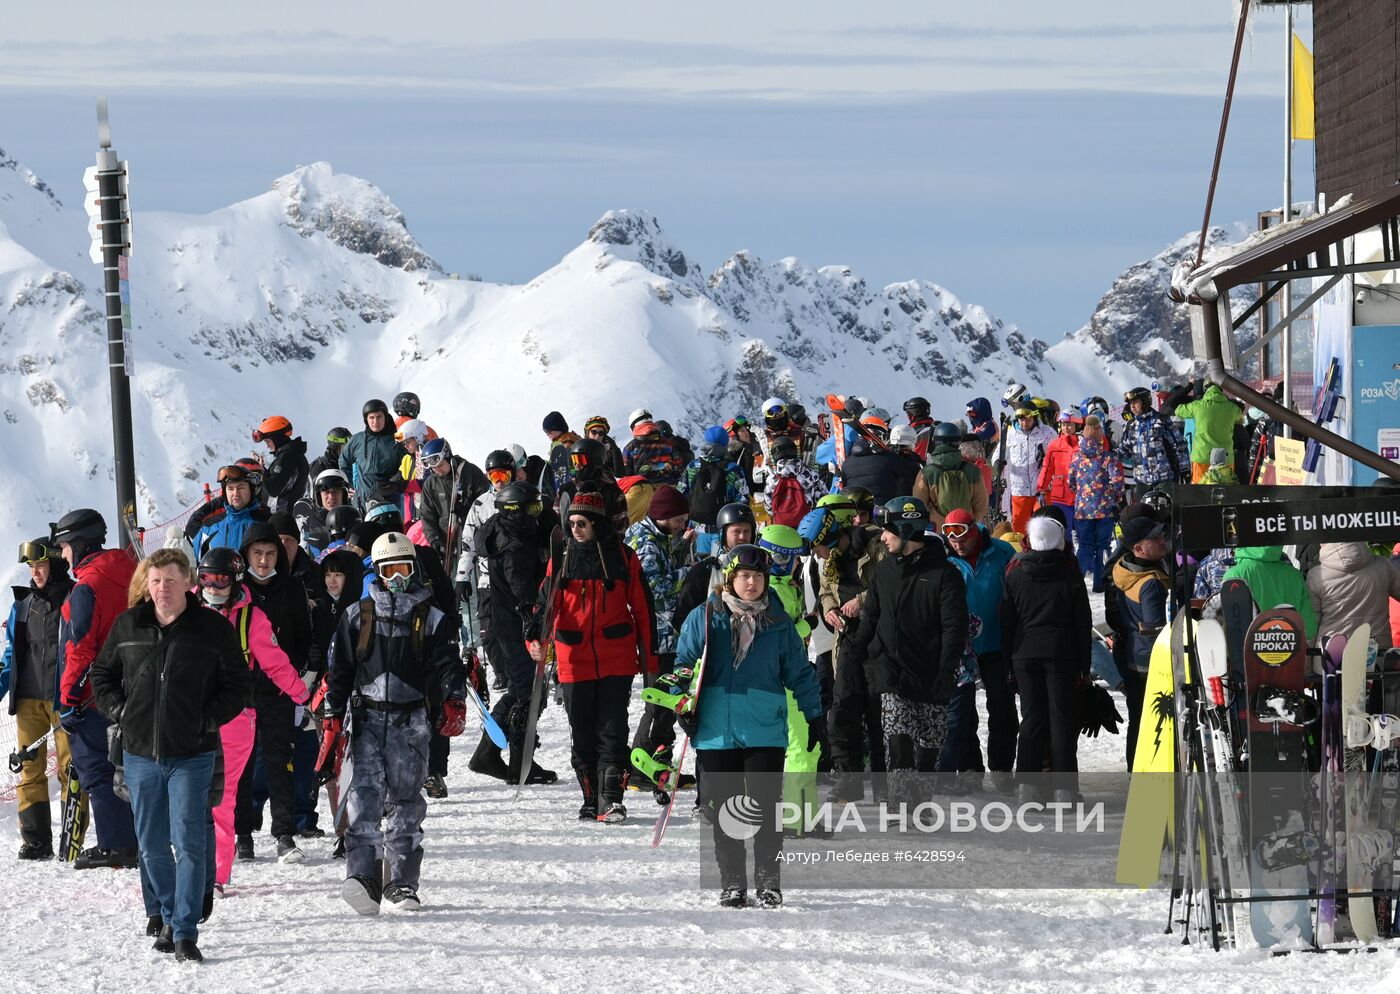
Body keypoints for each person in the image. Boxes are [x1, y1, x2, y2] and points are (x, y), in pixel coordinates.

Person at [89, 548, 252, 963]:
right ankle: (162, 913)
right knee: (151, 844)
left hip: (192, 753)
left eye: (171, 580)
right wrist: (121, 711)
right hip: (141, 752)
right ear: (148, 583)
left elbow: (237, 684)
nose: (163, 588)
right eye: (156, 580)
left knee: (189, 840)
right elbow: (101, 675)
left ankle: (184, 930)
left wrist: (207, 718)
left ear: (187, 583)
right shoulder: (129, 625)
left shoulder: (211, 629)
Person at [323, 532, 468, 915]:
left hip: (410, 721)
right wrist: (332, 713)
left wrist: (454, 697)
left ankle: (402, 883)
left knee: (406, 802)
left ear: (414, 570)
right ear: (378, 574)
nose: (397, 579)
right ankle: (363, 879)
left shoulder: (431, 618)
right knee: (363, 800)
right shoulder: (358, 614)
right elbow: (339, 671)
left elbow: (449, 665)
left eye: (404, 569)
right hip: (367, 719)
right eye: (389, 571)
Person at [675, 544, 825, 908]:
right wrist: (681, 702)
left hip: (764, 730)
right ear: (730, 578)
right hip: (716, 730)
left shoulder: (778, 622)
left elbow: (800, 673)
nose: (752, 583)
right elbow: (682, 665)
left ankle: (768, 881)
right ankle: (732, 883)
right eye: (744, 576)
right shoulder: (705, 617)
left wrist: (815, 716)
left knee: (765, 809)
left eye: (758, 577)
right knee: (725, 810)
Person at [532, 492, 655, 823]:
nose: (576, 529)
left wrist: (650, 660)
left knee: (613, 730)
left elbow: (644, 610)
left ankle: (611, 799)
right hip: (574, 660)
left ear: (597, 524)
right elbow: (544, 605)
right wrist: (535, 639)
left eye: (582, 523)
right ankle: (591, 798)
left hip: (617, 657)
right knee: (582, 731)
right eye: (571, 523)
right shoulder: (561, 559)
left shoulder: (623, 557)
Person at [841, 497, 967, 807]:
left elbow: (954, 628)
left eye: (888, 531)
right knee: (898, 739)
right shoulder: (885, 570)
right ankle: (899, 804)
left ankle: (919, 804)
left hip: (931, 671)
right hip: (891, 669)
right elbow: (871, 615)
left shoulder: (944, 575)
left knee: (928, 745)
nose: (883, 538)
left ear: (906, 529)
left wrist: (946, 670)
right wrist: (856, 651)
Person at [51, 508, 139, 869]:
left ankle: (116, 845)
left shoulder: (87, 587)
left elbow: (80, 646)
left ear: (78, 543)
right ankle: (136, 837)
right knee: (129, 766)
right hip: (133, 687)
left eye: (65, 547)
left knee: (97, 769)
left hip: (93, 696)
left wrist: (69, 697)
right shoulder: (132, 572)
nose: (64, 556)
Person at [233, 524, 316, 864]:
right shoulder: (237, 589)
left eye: (269, 554)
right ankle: (242, 834)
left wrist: (297, 678)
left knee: (279, 761)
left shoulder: (292, 587)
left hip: (278, 689)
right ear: (246, 556)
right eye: (257, 554)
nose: (264, 561)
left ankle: (283, 833)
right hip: (240, 692)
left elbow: (303, 636)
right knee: (241, 766)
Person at [1000, 516, 1091, 803]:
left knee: (1032, 717)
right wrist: (1084, 665)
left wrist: (1008, 663)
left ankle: (1028, 787)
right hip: (1062, 653)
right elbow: (1082, 623)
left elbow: (1006, 621)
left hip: (1024, 653)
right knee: (1061, 718)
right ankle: (1065, 789)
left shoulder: (1015, 575)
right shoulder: (1070, 575)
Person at [2, 538, 80, 859]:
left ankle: (70, 834)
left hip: (64, 698)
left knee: (69, 768)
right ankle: (36, 839)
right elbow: (11, 655)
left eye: (41, 566)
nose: (35, 573)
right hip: (29, 700)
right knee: (29, 767)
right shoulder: (22, 605)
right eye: (32, 568)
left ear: (56, 565)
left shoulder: (75, 597)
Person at [477, 482, 558, 785]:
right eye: (533, 509)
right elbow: (523, 589)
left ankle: (488, 753)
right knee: (525, 692)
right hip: (515, 626)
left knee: (520, 690)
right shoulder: (513, 547)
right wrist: (534, 618)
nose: (537, 515)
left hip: (509, 621)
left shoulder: (507, 529)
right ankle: (520, 762)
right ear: (515, 512)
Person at [938, 509, 1018, 794]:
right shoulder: (946, 558)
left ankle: (1001, 767)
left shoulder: (1001, 551)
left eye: (961, 538)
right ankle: (970, 768)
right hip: (961, 648)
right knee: (963, 712)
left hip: (997, 643)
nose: (956, 544)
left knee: (1002, 707)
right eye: (951, 539)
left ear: (973, 531)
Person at [625, 485, 694, 785]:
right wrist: (694, 573)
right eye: (679, 520)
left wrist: (680, 546)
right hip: (655, 634)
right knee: (657, 700)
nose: (682, 525)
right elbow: (657, 590)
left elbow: (667, 566)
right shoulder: (645, 542)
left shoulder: (662, 536)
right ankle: (640, 764)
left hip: (669, 633)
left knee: (671, 698)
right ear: (664, 515)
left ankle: (661, 763)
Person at [1110, 514, 1172, 766]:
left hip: (1131, 654)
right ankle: (1144, 766)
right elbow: (1156, 626)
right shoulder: (1151, 584)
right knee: (1151, 718)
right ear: (1138, 548)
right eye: (1153, 539)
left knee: (1138, 715)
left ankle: (1134, 766)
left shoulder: (1123, 569)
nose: (1161, 540)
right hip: (1150, 660)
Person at [1307, 543, 1400, 651]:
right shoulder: (1383, 565)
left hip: (1331, 657)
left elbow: (1310, 628)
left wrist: (1305, 666)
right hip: (1376, 654)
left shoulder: (1316, 575)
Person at [1067, 415, 1124, 593]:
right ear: (1100, 435)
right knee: (1102, 546)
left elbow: (1071, 483)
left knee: (1084, 546)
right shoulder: (1108, 458)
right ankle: (1099, 583)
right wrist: (1116, 496)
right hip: (1105, 509)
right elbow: (1117, 481)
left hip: (1083, 510)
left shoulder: (1076, 458)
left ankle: (1077, 579)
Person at [417, 437, 490, 563]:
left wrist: (467, 513)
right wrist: (434, 539)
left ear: (448, 457)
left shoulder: (470, 473)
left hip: (473, 540)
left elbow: (486, 506)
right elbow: (427, 515)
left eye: (440, 465)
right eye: (433, 468)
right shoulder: (431, 483)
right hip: (447, 544)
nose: (437, 471)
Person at [679, 427, 749, 554]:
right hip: (722, 531)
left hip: (696, 530)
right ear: (725, 444)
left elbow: (680, 495)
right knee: (722, 569)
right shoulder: (733, 469)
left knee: (699, 569)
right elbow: (743, 499)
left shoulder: (692, 466)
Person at [993, 406, 1055, 536]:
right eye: (1021, 420)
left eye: (1028, 419)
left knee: (1043, 524)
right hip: (1020, 489)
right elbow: (998, 454)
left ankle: (1042, 550)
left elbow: (1056, 453)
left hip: (1041, 488)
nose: (1025, 423)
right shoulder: (1011, 435)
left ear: (1034, 417)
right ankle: (1022, 552)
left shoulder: (1046, 433)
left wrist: (1046, 457)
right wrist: (998, 463)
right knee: (1019, 528)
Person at [914, 422, 989, 527]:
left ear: (935, 441)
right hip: (964, 531)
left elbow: (918, 504)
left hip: (937, 531)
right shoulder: (973, 470)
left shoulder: (926, 472)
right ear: (959, 442)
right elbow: (981, 505)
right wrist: (971, 522)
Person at [340, 399, 408, 511]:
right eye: (371, 417)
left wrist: (397, 481)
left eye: (379, 417)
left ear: (385, 417)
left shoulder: (398, 438)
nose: (375, 421)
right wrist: (350, 484)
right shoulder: (357, 439)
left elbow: (409, 462)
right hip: (362, 501)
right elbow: (344, 461)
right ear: (366, 419)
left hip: (390, 498)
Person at [1120, 387, 1189, 497]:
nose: (1132, 406)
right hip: (1142, 482)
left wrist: (1185, 470)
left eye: (1135, 402)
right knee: (1141, 513)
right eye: (1130, 403)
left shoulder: (1161, 420)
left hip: (1164, 479)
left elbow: (1179, 445)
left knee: (1167, 512)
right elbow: (1123, 452)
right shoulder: (1130, 426)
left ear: (1145, 401)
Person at [191, 465, 270, 560]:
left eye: (241, 488)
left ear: (251, 490)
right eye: (230, 489)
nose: (235, 493)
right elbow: (195, 567)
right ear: (225, 492)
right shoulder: (208, 529)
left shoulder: (267, 523)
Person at [1172, 382, 1244, 482]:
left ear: (1205, 390)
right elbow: (1240, 415)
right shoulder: (1232, 408)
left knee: (1199, 492)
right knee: (1226, 489)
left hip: (1202, 456)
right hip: (1226, 457)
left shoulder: (1198, 406)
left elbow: (1178, 410)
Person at [1036, 412, 1082, 539]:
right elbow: (1047, 468)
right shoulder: (1055, 445)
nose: (1066, 428)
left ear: (1077, 425)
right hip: (1060, 497)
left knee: (1082, 534)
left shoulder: (1083, 445)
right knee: (1063, 533)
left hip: (1082, 497)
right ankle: (1066, 557)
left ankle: (1082, 558)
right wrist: (1042, 489)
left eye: (1069, 425)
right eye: (1063, 425)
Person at [763, 436, 825, 528]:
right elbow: (822, 499)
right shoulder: (810, 474)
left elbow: (768, 506)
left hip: (783, 527)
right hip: (807, 525)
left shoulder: (772, 479)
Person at [254, 416, 310, 515]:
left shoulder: (287, 456)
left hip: (279, 516)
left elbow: (273, 489)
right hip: (286, 514)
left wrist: (261, 472)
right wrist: (264, 471)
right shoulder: (294, 454)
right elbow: (281, 481)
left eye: (267, 441)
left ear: (277, 439)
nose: (267, 445)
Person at [623, 418, 684, 485]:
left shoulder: (630, 447)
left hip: (644, 487)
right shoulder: (669, 443)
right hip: (669, 485)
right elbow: (679, 466)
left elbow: (626, 475)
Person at [541, 411, 582, 501]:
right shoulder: (573, 438)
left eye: (548, 431)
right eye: (545, 432)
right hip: (576, 480)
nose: (547, 434)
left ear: (558, 428)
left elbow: (564, 467)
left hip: (569, 485)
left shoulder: (563, 443)